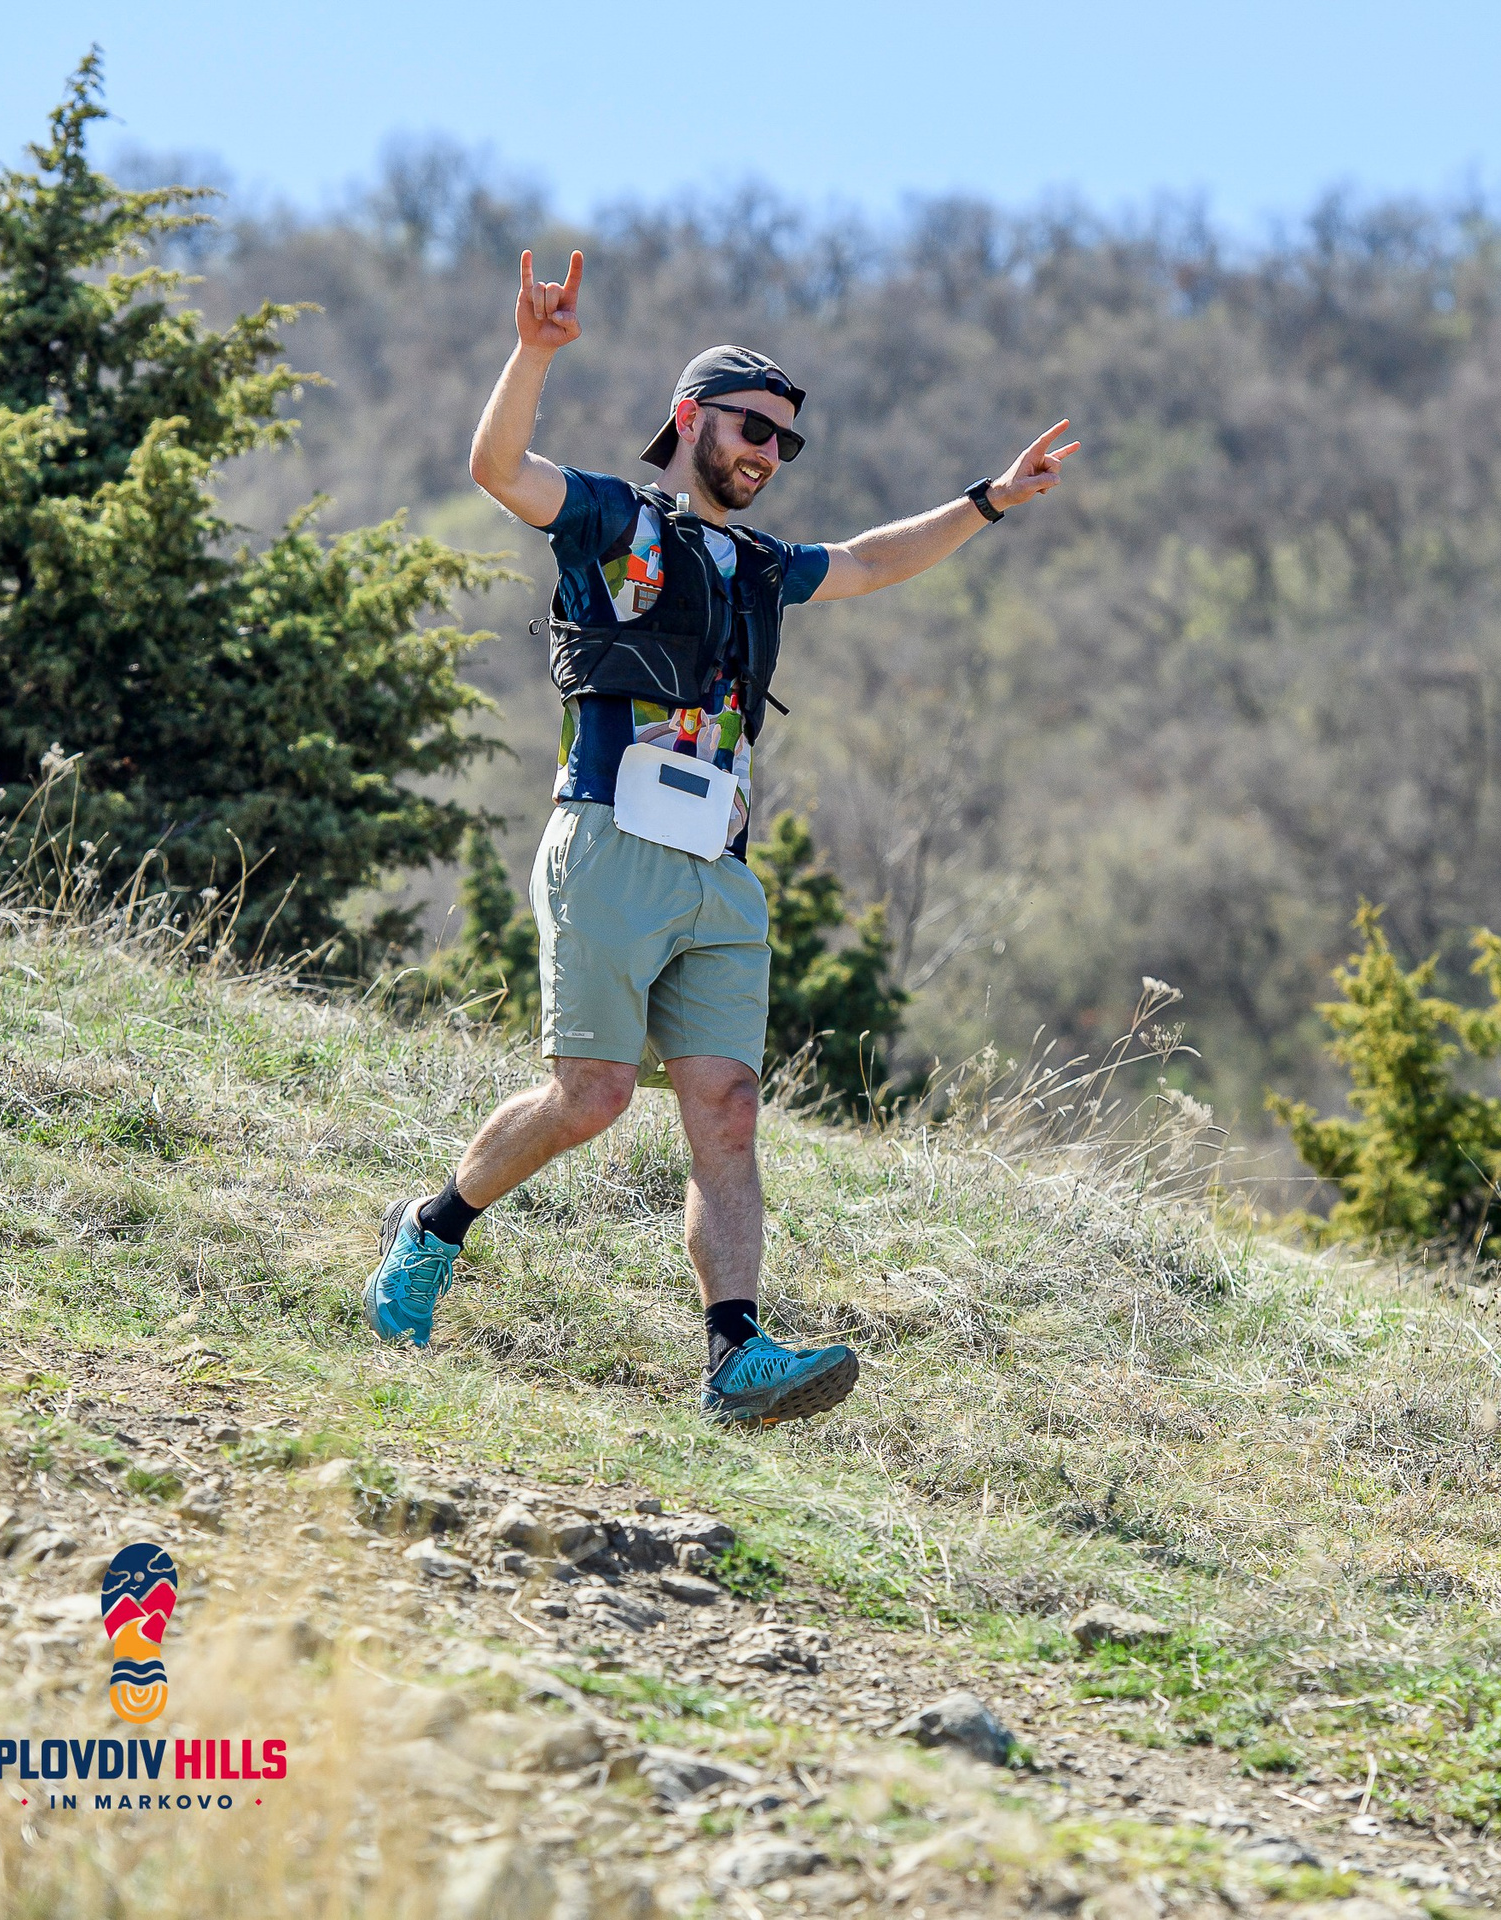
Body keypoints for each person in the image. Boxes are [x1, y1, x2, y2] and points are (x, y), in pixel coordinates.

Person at [358, 246, 1078, 1427]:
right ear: (690, 417)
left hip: (720, 870)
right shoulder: (611, 520)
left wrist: (987, 502)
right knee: (590, 1098)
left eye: (785, 444)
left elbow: (866, 561)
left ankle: (733, 1358)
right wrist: (534, 352)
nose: (766, 456)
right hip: (608, 840)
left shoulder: (759, 565)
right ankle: (433, 1227)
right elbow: (496, 470)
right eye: (753, 429)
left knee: (727, 1109)